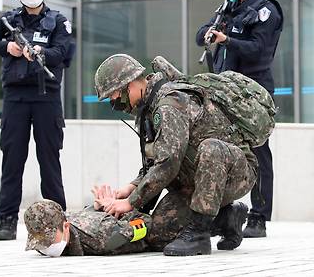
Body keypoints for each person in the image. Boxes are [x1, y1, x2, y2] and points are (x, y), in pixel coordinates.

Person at [94, 54, 274, 256]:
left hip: (234, 174)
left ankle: (199, 234)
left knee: (210, 148)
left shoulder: (169, 104)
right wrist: (130, 188)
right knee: (158, 234)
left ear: (129, 85)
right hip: (196, 181)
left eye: (115, 95)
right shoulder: (148, 109)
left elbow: (169, 162)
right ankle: (227, 217)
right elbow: (156, 160)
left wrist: (130, 202)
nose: (114, 102)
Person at [0, 0, 74, 241]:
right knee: (12, 161)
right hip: (16, 98)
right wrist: (7, 46)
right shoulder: (8, 21)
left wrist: (41, 52)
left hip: (47, 98)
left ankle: (58, 220)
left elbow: (64, 53)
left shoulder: (59, 21)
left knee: (49, 160)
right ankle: (7, 221)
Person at [195, 0, 283, 238]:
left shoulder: (266, 8)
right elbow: (201, 34)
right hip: (226, 91)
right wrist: (210, 32)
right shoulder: (229, 7)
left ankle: (259, 216)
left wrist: (227, 40)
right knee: (219, 151)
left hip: (253, 91)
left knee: (258, 151)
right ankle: (224, 215)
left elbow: (259, 48)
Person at [24, 187, 152, 257]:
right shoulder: (42, 240)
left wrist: (125, 209)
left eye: (49, 238)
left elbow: (146, 223)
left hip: (139, 228)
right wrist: (97, 208)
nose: (45, 246)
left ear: (66, 226)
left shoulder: (103, 236)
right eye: (39, 240)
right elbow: (81, 216)